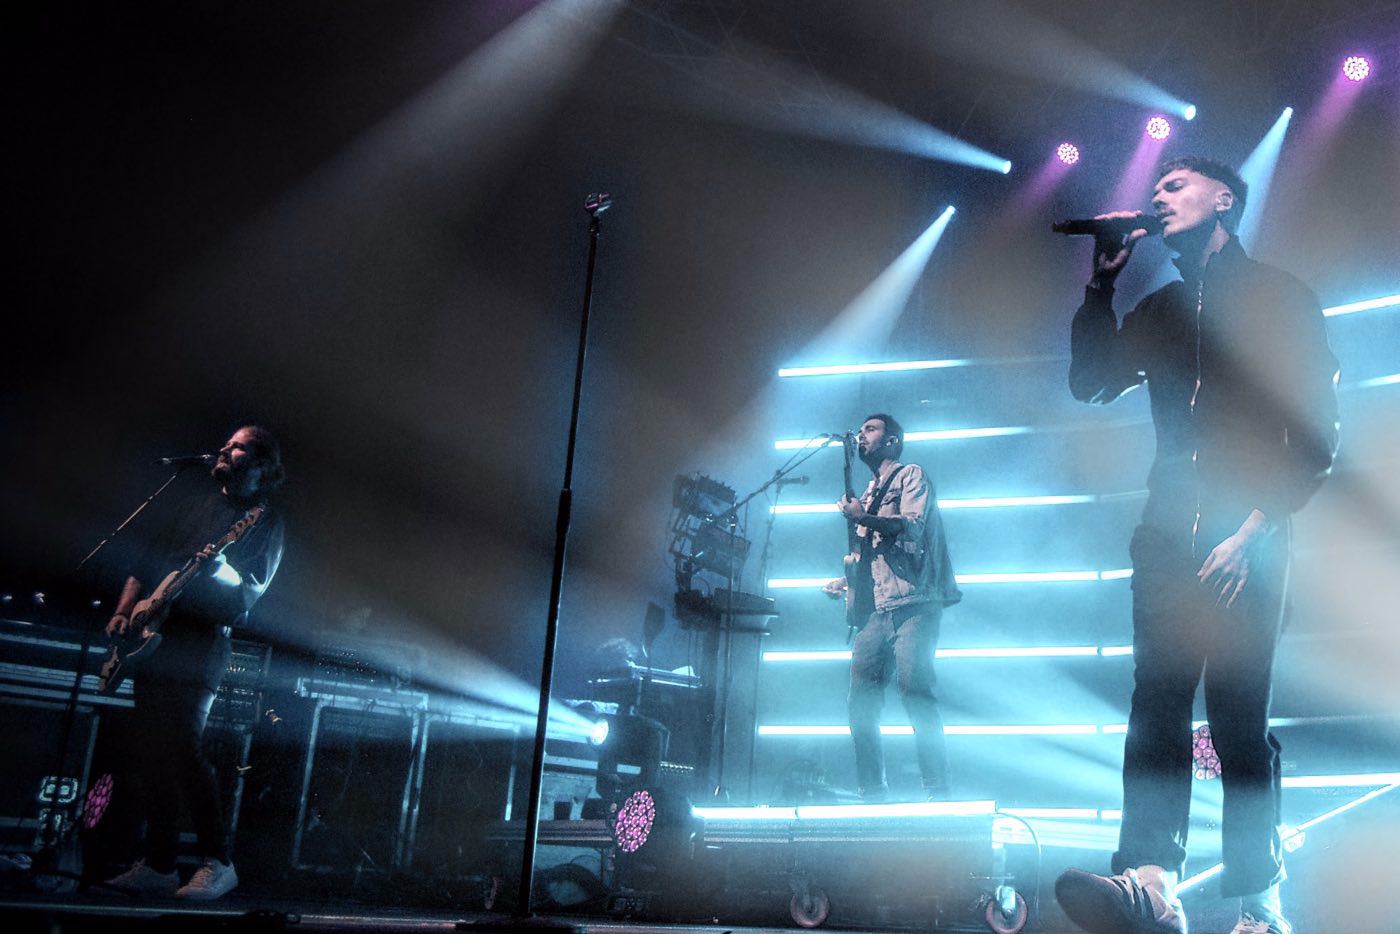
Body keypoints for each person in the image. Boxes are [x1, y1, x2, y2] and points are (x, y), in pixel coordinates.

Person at [1054, 158, 1339, 934]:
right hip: (1165, 534)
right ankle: (1151, 883)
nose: (1157, 194)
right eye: (1157, 187)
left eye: (1176, 184)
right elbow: (1090, 383)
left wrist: (1252, 531)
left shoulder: (1280, 298)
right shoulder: (1162, 307)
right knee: (1157, 705)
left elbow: (1317, 435)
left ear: (1225, 200)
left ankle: (1259, 905)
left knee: (1237, 720)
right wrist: (1101, 286)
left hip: (1251, 530)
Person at [101, 425, 287, 900]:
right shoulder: (191, 506)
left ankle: (219, 861)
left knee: (183, 746)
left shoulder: (262, 521)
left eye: (238, 446)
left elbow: (248, 593)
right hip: (153, 638)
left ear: (261, 466)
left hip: (201, 643)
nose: (225, 449)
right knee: (153, 751)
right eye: (228, 443)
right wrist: (124, 610)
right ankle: (160, 864)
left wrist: (220, 570)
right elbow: (144, 565)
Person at [822, 413, 962, 800]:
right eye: (860, 431)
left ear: (892, 441)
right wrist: (845, 581)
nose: (861, 436)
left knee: (915, 692)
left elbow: (913, 524)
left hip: (914, 603)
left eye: (870, 429)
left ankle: (937, 789)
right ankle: (871, 789)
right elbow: (871, 556)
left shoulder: (910, 475)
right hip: (875, 610)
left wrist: (863, 517)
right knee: (860, 702)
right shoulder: (867, 493)